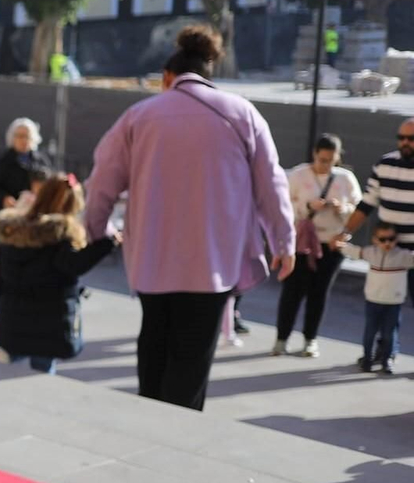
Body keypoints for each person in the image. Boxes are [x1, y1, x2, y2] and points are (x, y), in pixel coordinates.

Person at [85, 25, 294, 412]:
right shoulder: (242, 113)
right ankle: (175, 430)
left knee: (154, 344)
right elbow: (272, 183)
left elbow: (101, 184)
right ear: (209, 72)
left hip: (151, 259)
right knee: (192, 361)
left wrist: (96, 231)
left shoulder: (139, 116)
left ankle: (149, 418)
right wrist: (283, 240)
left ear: (168, 77)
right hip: (213, 263)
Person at [0, 175, 119, 375]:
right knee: (41, 373)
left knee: (14, 366)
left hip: (10, 323)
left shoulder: (13, 231)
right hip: (50, 328)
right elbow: (75, 264)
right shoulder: (61, 237)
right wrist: (107, 244)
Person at [273, 134, 361, 357]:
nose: (325, 165)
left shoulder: (345, 178)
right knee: (293, 291)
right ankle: (282, 338)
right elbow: (283, 206)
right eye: (322, 160)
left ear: (337, 158)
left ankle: (310, 339)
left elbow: (358, 209)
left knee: (319, 293)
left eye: (330, 161)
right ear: (314, 154)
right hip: (302, 243)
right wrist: (308, 206)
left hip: (331, 243)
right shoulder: (298, 174)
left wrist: (342, 208)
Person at [339, 118, 414, 302]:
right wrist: (345, 232)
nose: (405, 142)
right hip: (387, 248)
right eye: (401, 138)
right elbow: (366, 204)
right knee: (384, 304)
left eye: (411, 138)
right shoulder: (384, 164)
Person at [338, 224, 414, 374]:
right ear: (375, 240)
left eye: (391, 239)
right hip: (373, 300)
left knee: (389, 334)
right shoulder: (370, 252)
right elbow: (355, 252)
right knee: (370, 332)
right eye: (383, 239)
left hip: (393, 302)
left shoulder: (404, 256)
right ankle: (367, 359)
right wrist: (340, 243)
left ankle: (386, 360)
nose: (387, 243)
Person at [0, 118, 53, 214]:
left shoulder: (41, 160)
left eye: (27, 136)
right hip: (10, 213)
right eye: (20, 136)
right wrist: (3, 198)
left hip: (35, 212)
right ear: (12, 138)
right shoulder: (3, 162)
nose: (24, 140)